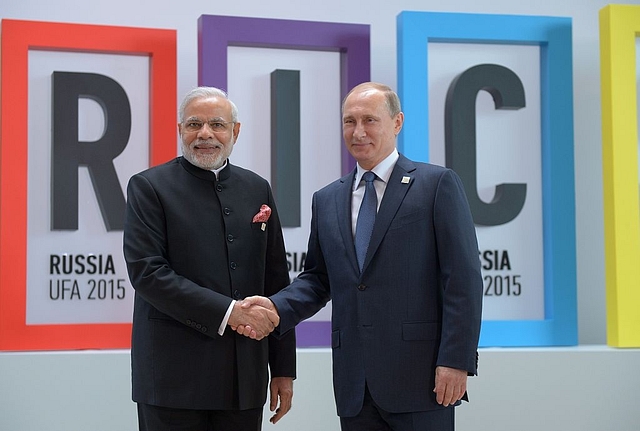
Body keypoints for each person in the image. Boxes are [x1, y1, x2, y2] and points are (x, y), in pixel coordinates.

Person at [236, 82, 483, 431]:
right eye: (349, 121)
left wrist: (456, 361)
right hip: (355, 385)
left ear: (397, 123)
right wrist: (276, 309)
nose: (358, 131)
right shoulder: (327, 199)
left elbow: (463, 279)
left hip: (423, 379)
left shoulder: (436, 184)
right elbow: (318, 279)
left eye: (370, 119)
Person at [123, 86, 296, 431]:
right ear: (180, 131)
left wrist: (283, 368)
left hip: (244, 378)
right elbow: (149, 274)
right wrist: (230, 312)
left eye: (217, 124)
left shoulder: (257, 188)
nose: (205, 134)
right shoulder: (148, 187)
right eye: (193, 125)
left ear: (235, 131)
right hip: (173, 381)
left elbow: (276, 281)